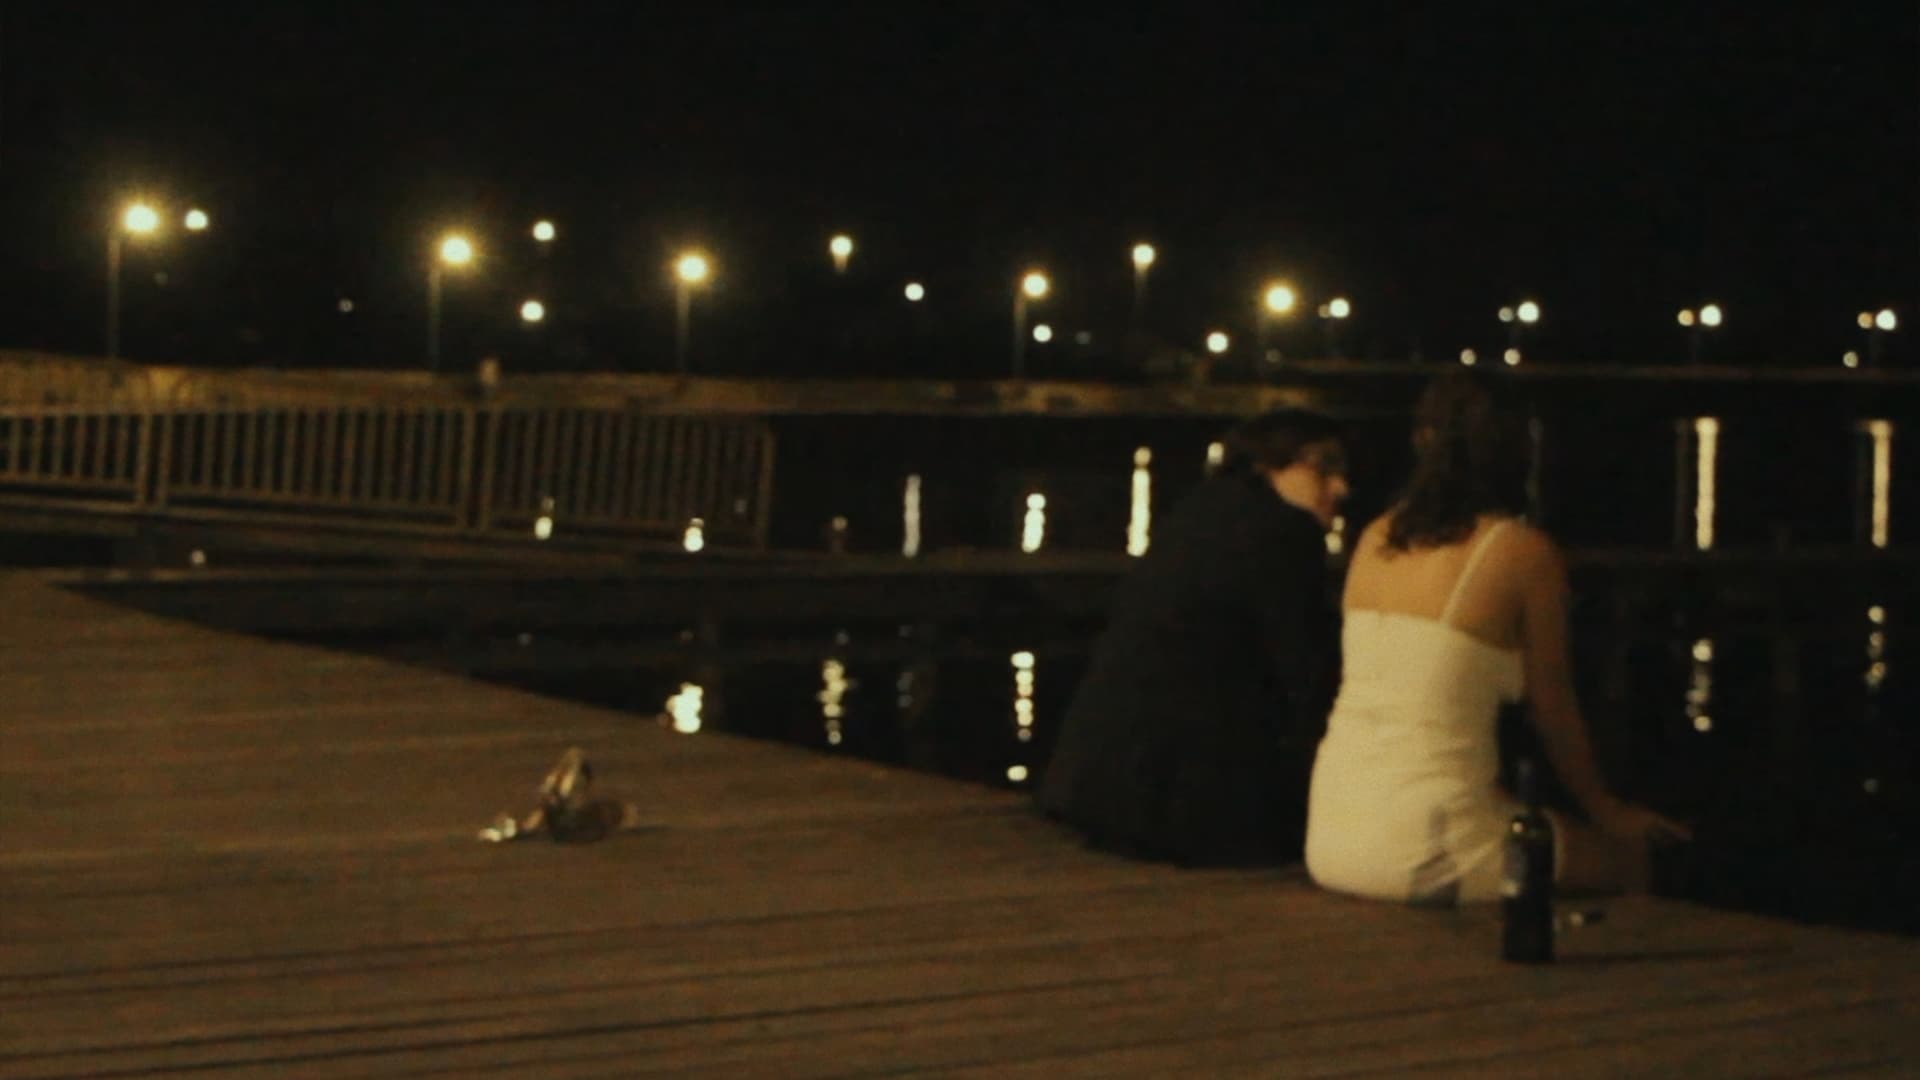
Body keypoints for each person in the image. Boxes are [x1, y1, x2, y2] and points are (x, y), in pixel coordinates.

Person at [1304, 369, 1689, 904]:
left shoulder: (1376, 537)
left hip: (1331, 831)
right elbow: (1553, 712)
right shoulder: (1521, 552)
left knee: (1508, 810)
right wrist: (1608, 810)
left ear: (1423, 442)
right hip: (1422, 850)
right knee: (1625, 861)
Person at [1036, 408, 1349, 865]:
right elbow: (1306, 669)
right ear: (1268, 465)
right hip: (1183, 805)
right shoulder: (1282, 532)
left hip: (1101, 786)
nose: (1339, 487)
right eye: (1323, 469)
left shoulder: (1198, 511)